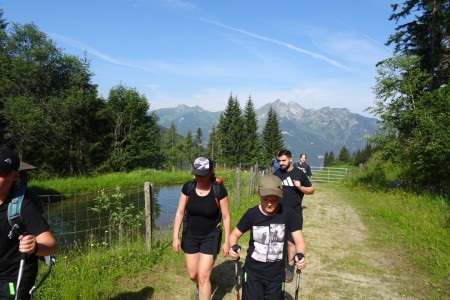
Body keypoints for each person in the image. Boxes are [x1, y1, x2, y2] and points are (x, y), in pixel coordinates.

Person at [228, 175, 307, 300]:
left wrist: (301, 254)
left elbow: (299, 241)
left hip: (276, 276)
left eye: (274, 199)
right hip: (253, 274)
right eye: (265, 199)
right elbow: (234, 234)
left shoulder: (288, 214)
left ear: (280, 196)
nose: (270, 203)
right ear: (259, 194)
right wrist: (233, 246)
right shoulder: (252, 214)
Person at [0, 148, 58, 299]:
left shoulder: (23, 206)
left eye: (2, 172)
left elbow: (51, 244)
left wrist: (35, 248)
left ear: (15, 175)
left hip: (12, 278)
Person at [172, 156, 231, 300]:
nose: (198, 177)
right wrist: (175, 237)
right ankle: (199, 286)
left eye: (202, 174)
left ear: (211, 172)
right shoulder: (188, 187)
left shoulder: (219, 190)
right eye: (196, 173)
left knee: (204, 276)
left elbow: (226, 217)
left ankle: (204, 290)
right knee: (193, 275)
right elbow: (180, 212)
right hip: (191, 235)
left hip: (210, 236)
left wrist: (227, 241)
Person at [273, 149, 314, 283]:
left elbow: (311, 190)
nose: (281, 163)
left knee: (291, 242)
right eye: (279, 161)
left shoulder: (299, 173)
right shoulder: (277, 173)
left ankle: (290, 267)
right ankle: (277, 265)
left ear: (290, 159)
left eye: (283, 160)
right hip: (278, 212)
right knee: (278, 240)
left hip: (294, 213)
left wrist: (300, 187)